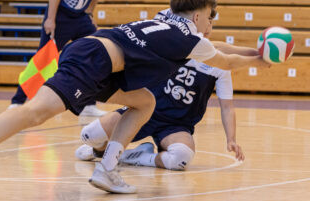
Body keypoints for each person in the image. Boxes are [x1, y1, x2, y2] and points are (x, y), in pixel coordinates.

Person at [0, 0, 270, 201]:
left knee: (144, 101)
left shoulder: (169, 22)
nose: (212, 23)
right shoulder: (192, 38)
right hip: (95, 60)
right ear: (198, 17)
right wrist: (261, 57)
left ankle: (107, 168)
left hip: (108, 65)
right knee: (36, 112)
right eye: (211, 17)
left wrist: (254, 50)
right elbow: (223, 59)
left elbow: (218, 49)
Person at [75, 27, 258, 170]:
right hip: (144, 111)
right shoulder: (174, 46)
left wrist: (231, 139)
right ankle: (98, 151)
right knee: (88, 136)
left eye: (210, 22)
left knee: (181, 158)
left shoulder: (221, 64)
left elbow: (227, 107)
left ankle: (136, 157)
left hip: (176, 125)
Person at [9, 0, 116, 117]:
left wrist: (90, 15)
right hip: (61, 17)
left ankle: (88, 105)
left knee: (93, 54)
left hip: (81, 18)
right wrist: (51, 18)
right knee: (43, 57)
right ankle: (17, 101)